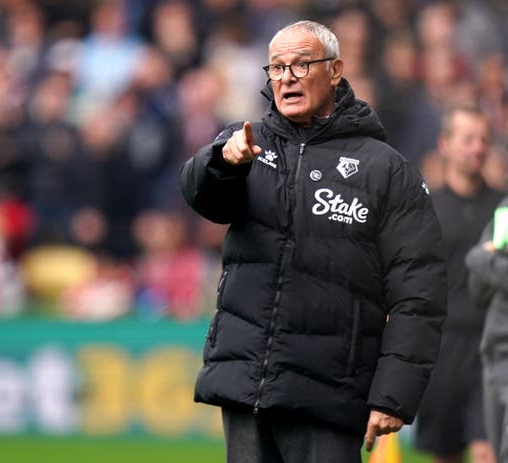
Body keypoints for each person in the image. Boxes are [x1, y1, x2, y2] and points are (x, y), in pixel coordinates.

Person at [180, 20, 447, 462]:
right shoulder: (246, 143)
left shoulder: (385, 169)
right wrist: (220, 162)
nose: (286, 77)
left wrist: (393, 394)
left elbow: (420, 291)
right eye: (277, 67)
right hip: (249, 387)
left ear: (336, 69)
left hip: (329, 395)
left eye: (301, 65)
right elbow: (201, 197)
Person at [415, 106, 501, 463]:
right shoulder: (424, 208)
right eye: (468, 139)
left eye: (484, 140)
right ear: (445, 144)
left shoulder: (504, 208)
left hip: (492, 348)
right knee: (446, 454)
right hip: (442, 350)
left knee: (488, 450)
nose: (478, 148)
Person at [466, 202, 508, 462]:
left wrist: (481, 259)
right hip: (494, 354)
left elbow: (478, 260)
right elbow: (478, 293)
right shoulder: (506, 209)